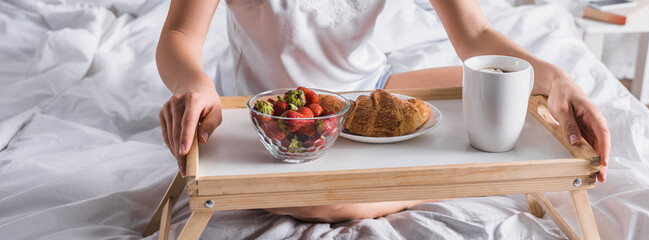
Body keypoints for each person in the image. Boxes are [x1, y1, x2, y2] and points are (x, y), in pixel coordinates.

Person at [156, 0, 610, 223]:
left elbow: (476, 32)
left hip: (368, 91)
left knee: (504, 88)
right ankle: (438, 185)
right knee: (330, 201)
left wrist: (557, 80)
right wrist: (192, 82)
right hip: (276, 113)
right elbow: (179, 32)